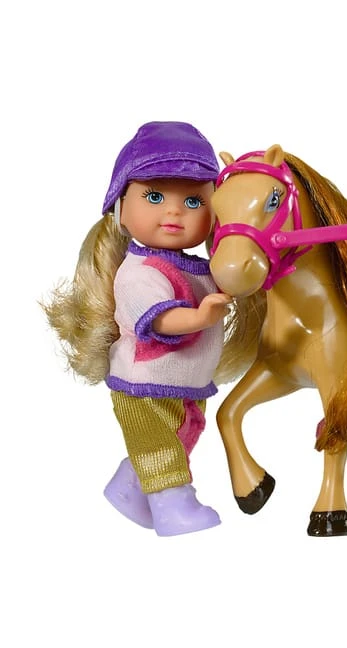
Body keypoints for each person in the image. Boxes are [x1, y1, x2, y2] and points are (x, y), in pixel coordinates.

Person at [44, 121, 231, 536]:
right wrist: (200, 317)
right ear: (121, 208)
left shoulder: (200, 268)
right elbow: (160, 319)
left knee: (177, 439)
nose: (174, 211)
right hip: (143, 384)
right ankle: (173, 507)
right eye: (154, 196)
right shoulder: (140, 272)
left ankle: (129, 488)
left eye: (194, 201)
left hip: (184, 385)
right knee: (162, 448)